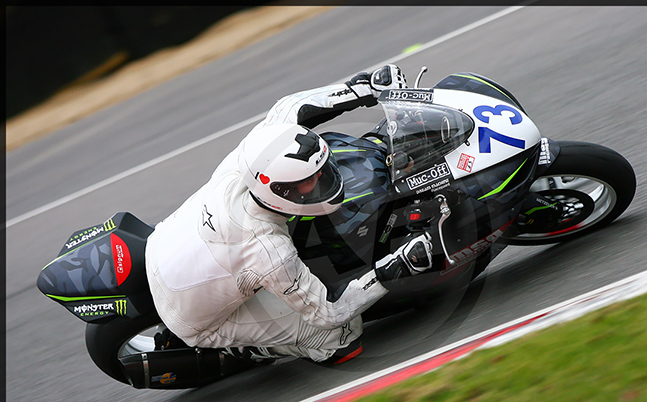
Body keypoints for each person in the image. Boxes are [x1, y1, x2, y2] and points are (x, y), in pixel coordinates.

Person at [145, 64, 433, 365]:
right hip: (188, 315)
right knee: (341, 337)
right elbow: (327, 313)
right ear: (278, 191)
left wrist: (360, 89)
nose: (322, 181)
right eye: (309, 182)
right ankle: (251, 350)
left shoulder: (254, 154)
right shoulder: (268, 249)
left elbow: (292, 107)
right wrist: (391, 269)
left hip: (162, 242)